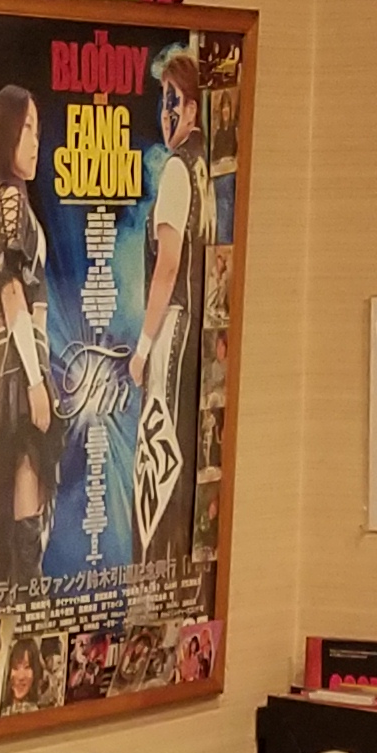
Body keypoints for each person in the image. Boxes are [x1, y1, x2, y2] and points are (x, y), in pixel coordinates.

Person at [0, 82, 56, 591]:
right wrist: (34, 379)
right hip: (15, 360)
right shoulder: (7, 198)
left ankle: (23, 593)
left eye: (38, 130)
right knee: (25, 467)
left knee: (24, 475)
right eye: (26, 127)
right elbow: (10, 290)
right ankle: (27, 597)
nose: (34, 141)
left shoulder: (14, 198)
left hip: (24, 354)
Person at [134, 47, 211, 562]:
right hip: (193, 331)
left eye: (173, 100)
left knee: (157, 460)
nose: (165, 112)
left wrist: (142, 348)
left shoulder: (178, 172)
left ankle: (153, 580)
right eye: (162, 100)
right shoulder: (203, 170)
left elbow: (167, 267)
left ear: (193, 108)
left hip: (171, 331)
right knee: (176, 455)